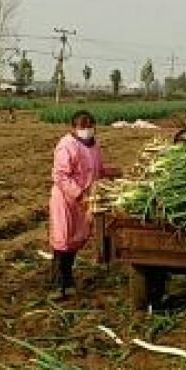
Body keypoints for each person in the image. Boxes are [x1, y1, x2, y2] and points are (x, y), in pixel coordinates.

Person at [49, 110, 119, 298]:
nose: (87, 129)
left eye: (90, 125)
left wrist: (116, 172)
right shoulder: (66, 145)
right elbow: (60, 175)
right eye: (83, 126)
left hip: (84, 200)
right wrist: (79, 195)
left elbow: (97, 169)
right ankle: (58, 285)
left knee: (74, 242)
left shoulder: (93, 145)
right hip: (66, 199)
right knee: (62, 241)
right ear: (74, 127)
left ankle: (68, 280)